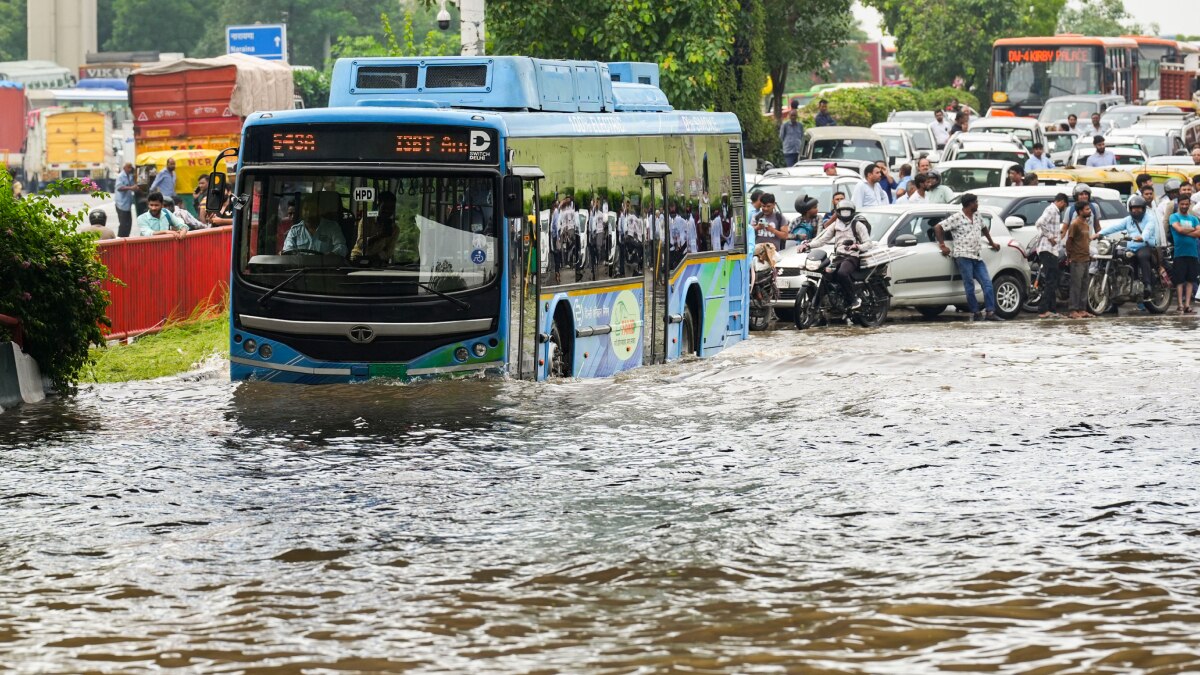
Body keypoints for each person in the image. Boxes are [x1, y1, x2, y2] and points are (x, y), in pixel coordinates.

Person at [935, 193, 1002, 321]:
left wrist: (992, 242)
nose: (977, 204)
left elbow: (984, 228)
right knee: (969, 286)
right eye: (976, 202)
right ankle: (975, 312)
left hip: (977, 256)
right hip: (963, 255)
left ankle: (990, 312)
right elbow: (938, 227)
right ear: (969, 204)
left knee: (987, 284)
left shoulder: (977, 215)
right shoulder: (957, 217)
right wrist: (942, 245)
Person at [801, 202, 874, 309]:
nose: (845, 214)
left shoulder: (858, 225)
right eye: (843, 212)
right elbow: (822, 240)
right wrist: (808, 245)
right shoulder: (835, 225)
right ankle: (816, 307)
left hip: (852, 257)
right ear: (838, 212)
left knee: (842, 273)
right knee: (825, 276)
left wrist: (857, 246)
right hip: (838, 257)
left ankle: (853, 299)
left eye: (847, 212)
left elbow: (868, 243)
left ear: (852, 212)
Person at [1093, 194, 1158, 302]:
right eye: (1133, 208)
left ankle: (1147, 285)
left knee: (1142, 256)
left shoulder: (1149, 219)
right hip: (1131, 246)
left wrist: (1142, 237)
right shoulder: (1128, 220)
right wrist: (1099, 234)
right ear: (1130, 209)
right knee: (1115, 254)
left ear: (1143, 208)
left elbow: (1148, 231)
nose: (1136, 210)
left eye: (1138, 208)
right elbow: (1114, 227)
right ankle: (1118, 283)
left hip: (1145, 245)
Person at [1033, 193, 1069, 318]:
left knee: (1053, 280)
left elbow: (1042, 224)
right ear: (1062, 202)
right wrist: (1049, 237)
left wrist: (1055, 234)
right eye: (1065, 205)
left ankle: (1052, 310)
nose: (1064, 207)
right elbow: (1040, 223)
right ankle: (1043, 310)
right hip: (1047, 249)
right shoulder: (1052, 210)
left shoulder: (1053, 211)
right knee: (1050, 280)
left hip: (1051, 250)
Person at [283, 193, 349, 256]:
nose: (308, 213)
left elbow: (342, 247)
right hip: (299, 267)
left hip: (325, 266)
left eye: (312, 209)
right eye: (306, 209)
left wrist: (333, 254)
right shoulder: (295, 230)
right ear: (301, 211)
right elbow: (288, 250)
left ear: (319, 211)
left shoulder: (332, 227)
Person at [1170, 194, 1200, 314]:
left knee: (1190, 280)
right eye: (1182, 204)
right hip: (1179, 253)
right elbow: (1179, 230)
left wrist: (1185, 231)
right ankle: (1180, 305)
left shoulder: (1194, 218)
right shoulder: (1174, 216)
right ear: (1178, 204)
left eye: (1186, 204)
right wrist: (1193, 230)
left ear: (1189, 204)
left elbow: (1198, 233)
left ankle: (1187, 304)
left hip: (1192, 253)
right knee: (1179, 280)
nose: (1184, 206)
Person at [351, 191, 398, 264]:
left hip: (377, 261)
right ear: (378, 205)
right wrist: (378, 236)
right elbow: (360, 244)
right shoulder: (366, 220)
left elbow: (389, 252)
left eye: (392, 208)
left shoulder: (394, 228)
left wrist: (373, 259)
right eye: (385, 207)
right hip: (359, 257)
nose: (388, 211)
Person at [1064, 202, 1093, 319]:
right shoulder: (1075, 224)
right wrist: (1069, 256)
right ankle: (1073, 310)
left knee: (1084, 285)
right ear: (1080, 211)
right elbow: (1069, 241)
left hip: (1086, 258)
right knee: (1076, 285)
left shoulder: (1086, 224)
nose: (1089, 211)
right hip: (1077, 259)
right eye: (1087, 209)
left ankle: (1082, 309)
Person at [113, 162, 138, 237]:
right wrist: (131, 188)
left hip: (127, 204)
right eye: (129, 167)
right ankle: (120, 239)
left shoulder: (130, 176)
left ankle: (126, 238)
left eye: (131, 168)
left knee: (129, 224)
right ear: (124, 168)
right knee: (123, 224)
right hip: (121, 204)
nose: (130, 169)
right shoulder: (121, 176)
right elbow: (119, 187)